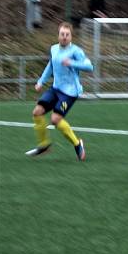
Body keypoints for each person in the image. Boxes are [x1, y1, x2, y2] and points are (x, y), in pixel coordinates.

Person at [26, 22, 93, 161]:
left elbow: (89, 66)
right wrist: (40, 81)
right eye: (62, 34)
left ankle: (77, 143)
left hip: (70, 92)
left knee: (55, 119)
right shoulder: (53, 49)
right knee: (37, 113)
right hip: (55, 89)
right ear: (58, 35)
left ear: (71, 36)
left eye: (67, 35)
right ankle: (44, 145)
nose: (64, 37)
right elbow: (50, 66)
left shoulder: (76, 51)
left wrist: (72, 63)